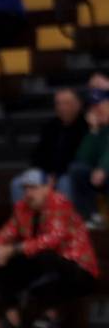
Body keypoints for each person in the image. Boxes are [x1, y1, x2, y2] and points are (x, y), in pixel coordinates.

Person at [0, 168, 97, 328]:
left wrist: (13, 249)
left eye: (34, 188)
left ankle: (49, 312)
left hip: (78, 269)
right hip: (45, 264)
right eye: (25, 188)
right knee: (0, 261)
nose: (28, 193)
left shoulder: (59, 203)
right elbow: (6, 232)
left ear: (47, 187)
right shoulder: (22, 207)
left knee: (43, 256)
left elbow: (52, 240)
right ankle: (10, 309)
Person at [10, 89, 88, 203]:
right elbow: (38, 154)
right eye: (58, 103)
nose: (61, 107)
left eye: (66, 103)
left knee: (64, 182)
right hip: (47, 173)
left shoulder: (85, 126)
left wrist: (55, 175)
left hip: (68, 173)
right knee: (17, 183)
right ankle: (22, 219)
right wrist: (39, 173)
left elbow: (79, 156)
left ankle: (64, 219)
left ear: (78, 105)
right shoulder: (50, 126)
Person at [67, 86, 109, 228]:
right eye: (93, 107)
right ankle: (90, 217)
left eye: (99, 105)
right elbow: (83, 157)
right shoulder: (99, 130)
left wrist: (103, 169)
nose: (96, 110)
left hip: (105, 172)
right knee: (77, 170)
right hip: (99, 176)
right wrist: (93, 131)